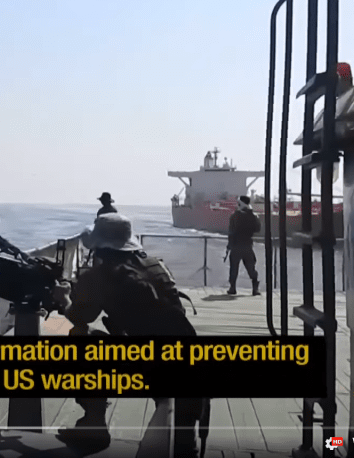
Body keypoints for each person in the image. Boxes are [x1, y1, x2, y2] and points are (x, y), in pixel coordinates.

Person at [50, 213, 204, 457]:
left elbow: (79, 317)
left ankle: (93, 424)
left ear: (98, 247)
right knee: (181, 438)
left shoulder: (100, 276)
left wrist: (64, 298)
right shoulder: (156, 265)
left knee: (81, 338)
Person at [227, 195, 262, 296]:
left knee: (234, 268)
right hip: (247, 245)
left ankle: (232, 288)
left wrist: (229, 245)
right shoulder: (253, 216)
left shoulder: (235, 216)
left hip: (236, 245)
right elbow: (257, 229)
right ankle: (255, 288)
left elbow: (231, 231)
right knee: (251, 268)